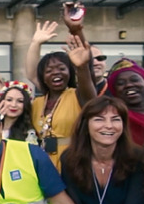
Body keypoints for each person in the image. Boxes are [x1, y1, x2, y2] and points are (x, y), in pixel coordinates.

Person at [29, 29, 96, 170]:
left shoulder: (77, 95)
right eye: (49, 71)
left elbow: (89, 89)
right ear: (43, 78)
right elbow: (31, 74)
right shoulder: (38, 103)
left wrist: (82, 66)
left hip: (73, 162)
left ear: (70, 72)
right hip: (43, 162)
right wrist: (35, 43)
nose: (56, 73)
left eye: (61, 68)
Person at [106, 58, 144, 146]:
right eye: (121, 83)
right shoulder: (116, 117)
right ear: (115, 91)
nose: (129, 85)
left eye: (134, 80)